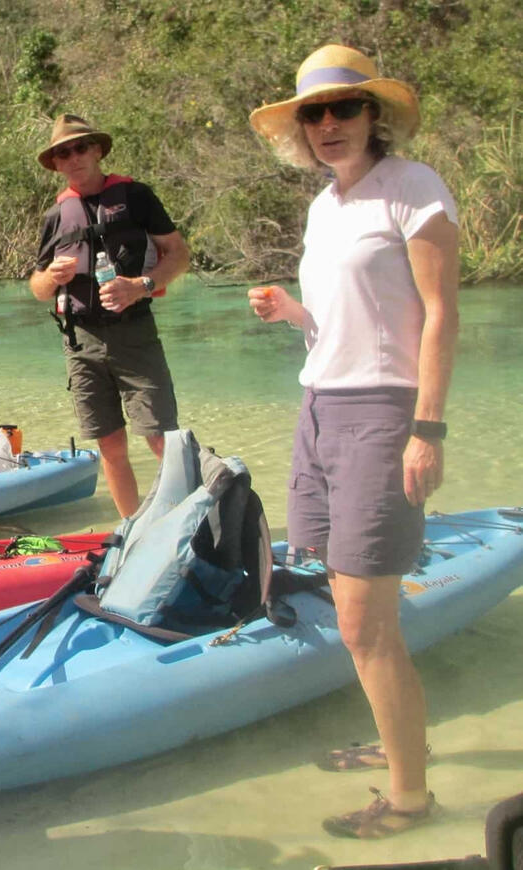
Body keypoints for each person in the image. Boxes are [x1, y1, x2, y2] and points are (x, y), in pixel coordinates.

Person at [247, 44, 459, 838]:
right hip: (319, 408)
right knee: (351, 612)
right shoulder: (324, 207)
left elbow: (439, 315)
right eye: (314, 114)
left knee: (366, 623)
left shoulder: (414, 190)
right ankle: (405, 744)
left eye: (344, 108)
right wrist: (292, 317)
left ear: (374, 116)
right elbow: (351, 320)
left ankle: (413, 800)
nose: (329, 124)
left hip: (384, 414)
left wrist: (426, 429)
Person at [29, 114, 191, 517]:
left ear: (97, 150)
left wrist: (141, 286)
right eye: (63, 153)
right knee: (110, 445)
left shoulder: (136, 197)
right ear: (56, 163)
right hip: (80, 341)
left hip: (134, 332)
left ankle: (196, 522)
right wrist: (51, 276)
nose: (73, 157)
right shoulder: (56, 216)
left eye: (80, 147)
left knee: (160, 438)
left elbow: (179, 254)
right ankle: (133, 528)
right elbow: (37, 287)